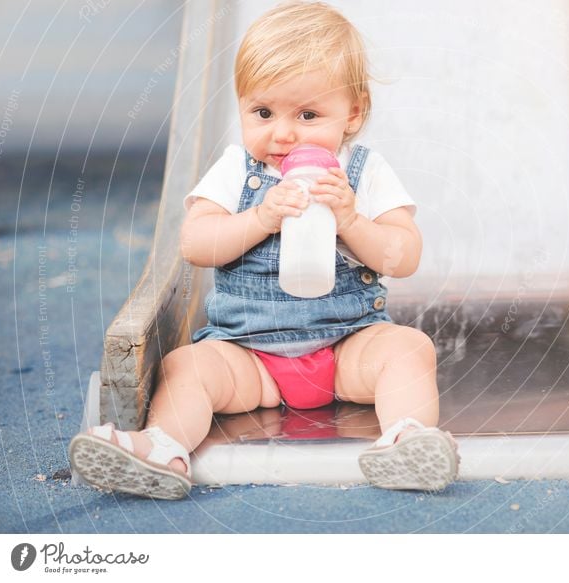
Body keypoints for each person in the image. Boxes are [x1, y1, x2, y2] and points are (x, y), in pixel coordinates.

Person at [69, 1, 459, 499]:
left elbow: (403, 256)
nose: (282, 133)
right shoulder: (237, 170)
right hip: (249, 356)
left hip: (345, 348)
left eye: (308, 114)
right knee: (187, 367)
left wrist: (351, 221)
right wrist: (260, 217)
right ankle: (163, 447)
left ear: (353, 113)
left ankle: (405, 439)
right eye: (262, 111)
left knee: (409, 349)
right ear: (241, 107)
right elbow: (196, 243)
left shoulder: (365, 173)